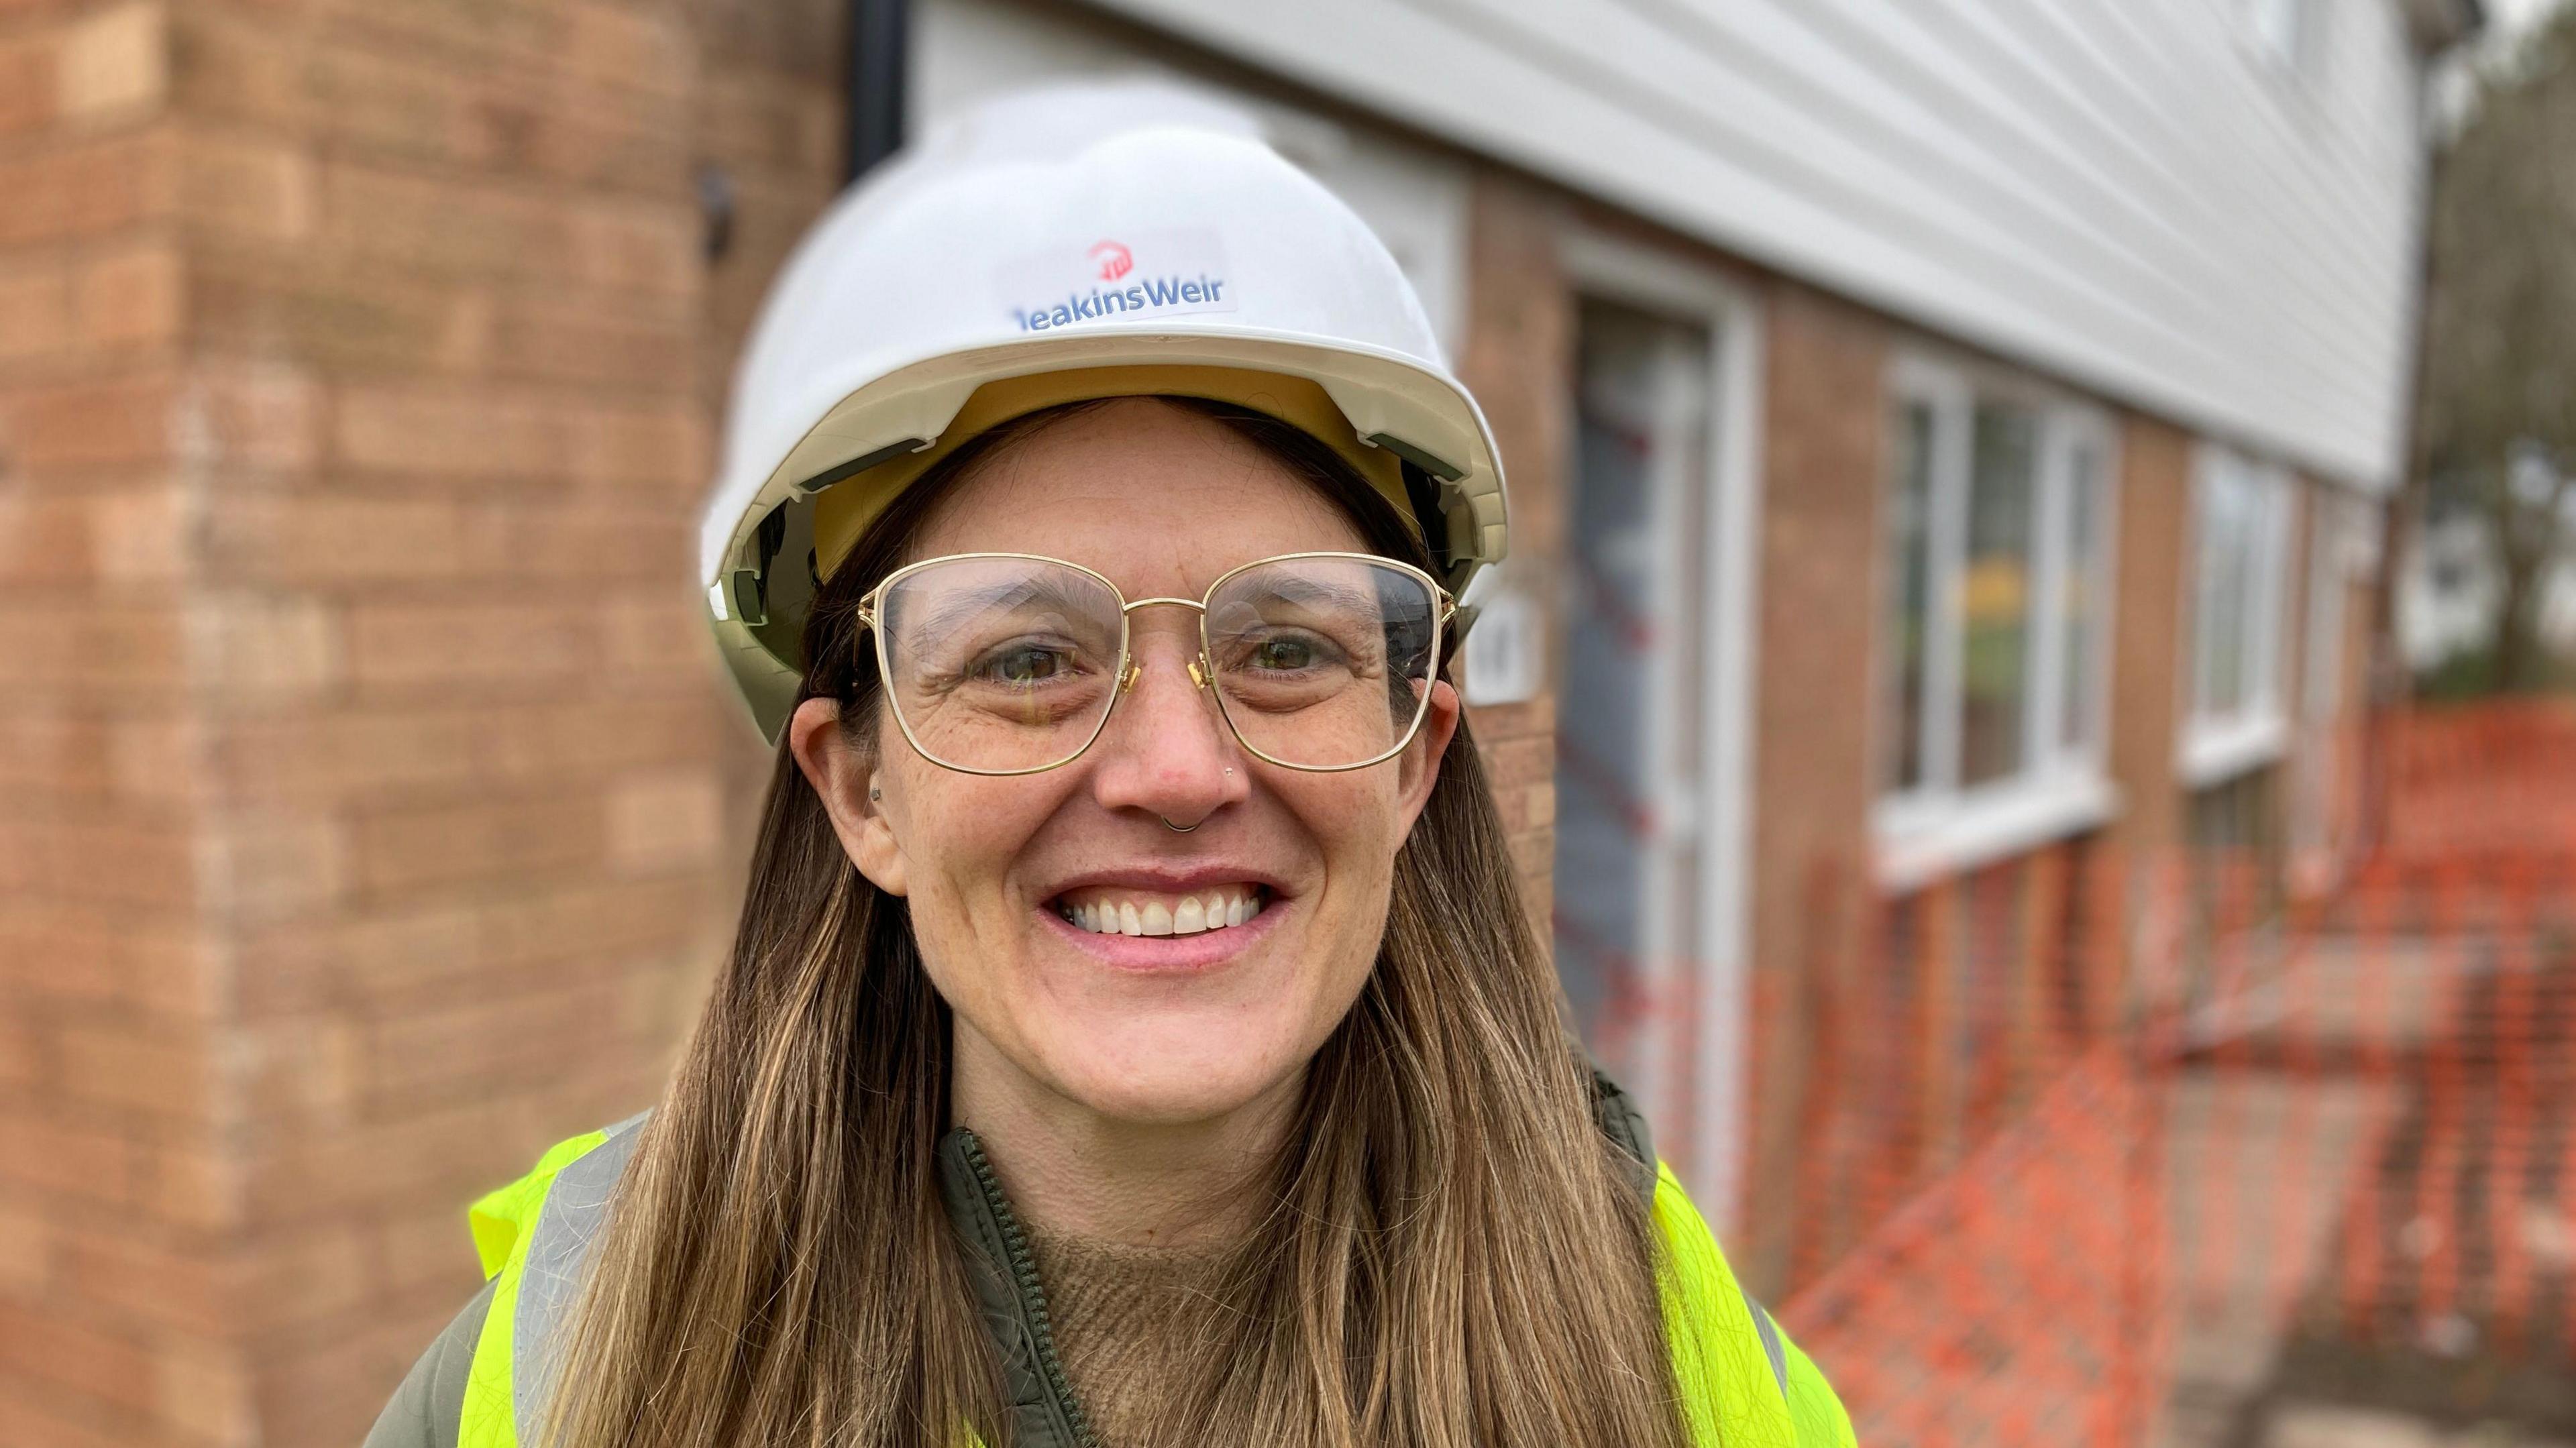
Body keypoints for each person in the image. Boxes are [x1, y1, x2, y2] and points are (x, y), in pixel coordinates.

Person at [365, 82, 1853, 1448]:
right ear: (858, 792)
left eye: (1285, 648)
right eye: (1026, 659)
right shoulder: (562, 1373)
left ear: (1414, 762)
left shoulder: (1673, 1368)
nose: (1178, 770)